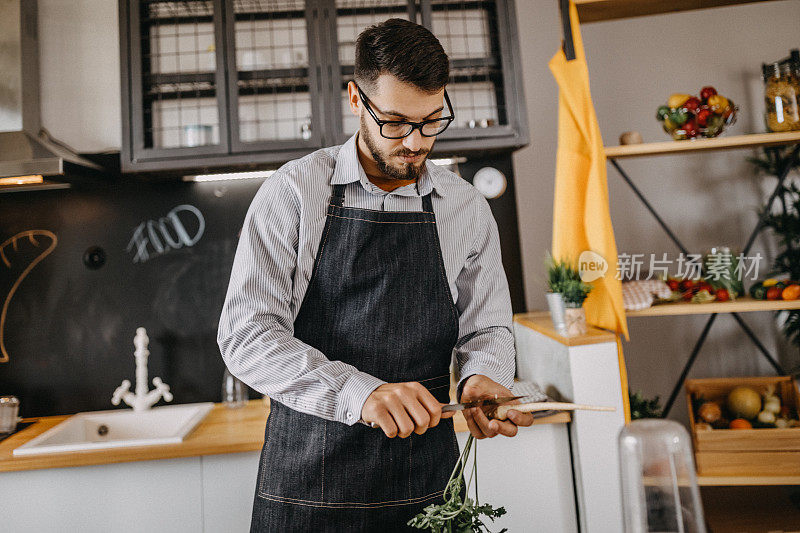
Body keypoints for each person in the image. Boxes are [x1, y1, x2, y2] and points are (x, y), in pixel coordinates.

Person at [217, 17, 533, 533]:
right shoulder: (294, 193)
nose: (414, 141)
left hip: (429, 489)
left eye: (432, 121)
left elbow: (488, 326)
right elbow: (246, 337)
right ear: (355, 99)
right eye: (395, 122)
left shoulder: (466, 209)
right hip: (308, 488)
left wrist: (481, 377)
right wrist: (359, 393)